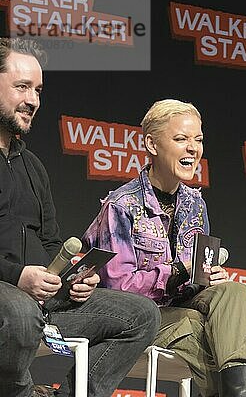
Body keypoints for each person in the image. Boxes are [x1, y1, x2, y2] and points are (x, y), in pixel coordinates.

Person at [0, 38, 161, 397]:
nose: (33, 100)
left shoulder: (33, 167)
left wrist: (73, 279)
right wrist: (17, 276)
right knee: (20, 315)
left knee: (141, 316)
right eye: (22, 87)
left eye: (38, 90)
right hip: (9, 297)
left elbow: (51, 242)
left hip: (38, 298)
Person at [81, 99, 246, 397]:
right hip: (140, 319)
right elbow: (116, 291)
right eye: (181, 139)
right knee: (204, 329)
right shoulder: (121, 206)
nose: (193, 148)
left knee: (236, 294)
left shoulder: (195, 203)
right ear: (152, 145)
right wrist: (176, 273)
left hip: (181, 306)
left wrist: (206, 277)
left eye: (198, 139)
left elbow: (194, 281)